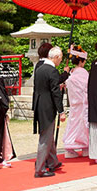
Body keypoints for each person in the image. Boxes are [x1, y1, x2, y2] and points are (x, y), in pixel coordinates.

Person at [32, 45, 65, 177]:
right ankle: (39, 169)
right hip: (47, 107)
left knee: (49, 136)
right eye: (60, 59)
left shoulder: (39, 68)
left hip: (39, 104)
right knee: (45, 138)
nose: (60, 61)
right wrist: (61, 111)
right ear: (56, 57)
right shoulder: (52, 71)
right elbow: (55, 92)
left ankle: (53, 161)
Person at [62, 47, 89, 158]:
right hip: (83, 103)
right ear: (82, 61)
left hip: (74, 104)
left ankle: (70, 148)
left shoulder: (71, 74)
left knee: (73, 124)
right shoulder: (83, 73)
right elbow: (88, 88)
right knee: (84, 125)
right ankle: (86, 147)